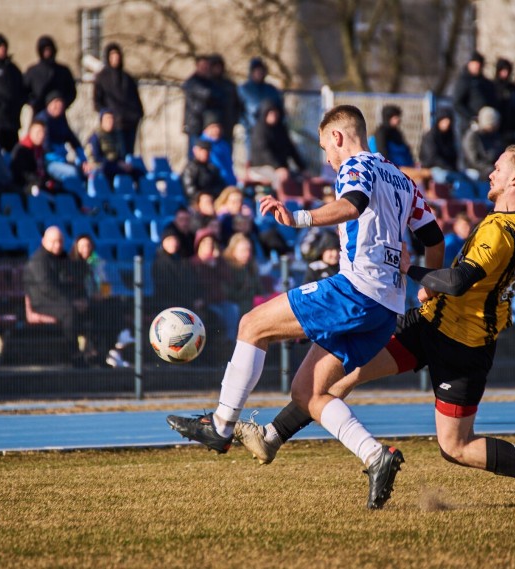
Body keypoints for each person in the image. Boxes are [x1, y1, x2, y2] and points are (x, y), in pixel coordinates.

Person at [233, 145, 515, 509]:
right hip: (428, 325)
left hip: (464, 347)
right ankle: (272, 437)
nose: (490, 174)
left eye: (497, 168)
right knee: (340, 375)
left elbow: (458, 280)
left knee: (455, 446)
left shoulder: (499, 234)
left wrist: (412, 271)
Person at [166, 105, 445, 510]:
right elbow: (434, 239)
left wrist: (297, 216)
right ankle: (376, 456)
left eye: (324, 148)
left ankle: (221, 426)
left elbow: (352, 204)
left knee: (252, 324)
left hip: (355, 290)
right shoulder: (403, 180)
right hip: (386, 309)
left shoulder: (354, 165)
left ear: (337, 137)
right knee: (308, 391)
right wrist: (428, 288)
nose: (327, 159)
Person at [23, 226, 94, 366]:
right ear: (44, 241)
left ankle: (96, 352)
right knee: (69, 312)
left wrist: (79, 299)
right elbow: (47, 288)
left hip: (62, 300)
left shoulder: (61, 258)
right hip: (43, 303)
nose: (58, 245)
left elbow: (70, 280)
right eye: (54, 241)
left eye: (60, 241)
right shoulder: (38, 260)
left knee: (94, 308)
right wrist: (72, 302)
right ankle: (75, 356)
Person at [93, 43, 144, 157]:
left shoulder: (127, 78)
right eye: (112, 56)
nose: (115, 59)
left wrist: (138, 114)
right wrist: (107, 116)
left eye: (117, 55)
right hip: (115, 124)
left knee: (129, 154)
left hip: (130, 122)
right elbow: (97, 102)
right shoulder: (102, 78)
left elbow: (135, 99)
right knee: (117, 154)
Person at [248, 100, 308, 191]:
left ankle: (299, 204)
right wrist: (278, 167)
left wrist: (302, 168)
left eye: (275, 113)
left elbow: (291, 149)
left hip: (281, 168)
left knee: (301, 179)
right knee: (280, 178)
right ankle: (277, 200)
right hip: (261, 167)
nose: (274, 116)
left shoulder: (281, 130)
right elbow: (265, 152)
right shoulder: (259, 130)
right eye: (270, 113)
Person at [37, 91, 88, 193]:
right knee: (72, 173)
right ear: (49, 104)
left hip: (61, 159)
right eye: (55, 102)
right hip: (48, 162)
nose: (58, 106)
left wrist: (83, 160)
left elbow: (73, 140)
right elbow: (45, 146)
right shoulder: (43, 119)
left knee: (84, 173)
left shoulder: (61, 119)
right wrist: (56, 154)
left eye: (60, 103)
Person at [239, 57, 284, 161]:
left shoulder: (271, 89)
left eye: (261, 71)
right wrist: (245, 124)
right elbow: (238, 109)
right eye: (256, 71)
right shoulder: (244, 89)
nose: (259, 74)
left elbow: (279, 107)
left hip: (271, 130)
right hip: (252, 129)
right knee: (252, 156)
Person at [24, 35, 77, 115]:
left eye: (49, 49)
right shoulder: (32, 71)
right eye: (44, 50)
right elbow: (24, 91)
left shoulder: (63, 71)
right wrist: (34, 103)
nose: (47, 52)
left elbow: (72, 91)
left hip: (59, 113)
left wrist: (62, 104)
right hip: (39, 112)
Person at [452, 51, 497, 137]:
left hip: (487, 124)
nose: (477, 67)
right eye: (475, 64)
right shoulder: (464, 81)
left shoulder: (486, 82)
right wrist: (471, 117)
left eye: (479, 65)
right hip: (469, 125)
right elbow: (457, 103)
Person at [182, 55, 219, 156]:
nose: (205, 68)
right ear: (197, 66)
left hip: (206, 124)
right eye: (203, 66)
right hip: (195, 124)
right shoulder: (192, 82)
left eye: (207, 66)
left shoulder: (210, 82)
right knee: (195, 152)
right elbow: (206, 94)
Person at [10, 119, 54, 194]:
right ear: (30, 132)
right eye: (38, 132)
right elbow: (22, 173)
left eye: (43, 133)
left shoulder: (40, 150)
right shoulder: (22, 149)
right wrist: (39, 181)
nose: (41, 136)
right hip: (26, 186)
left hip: (40, 183)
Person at [462, 106, 503, 180]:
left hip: (490, 167)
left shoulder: (494, 135)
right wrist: (490, 168)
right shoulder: (472, 136)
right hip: (474, 169)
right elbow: (474, 160)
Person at [209, 54, 241, 145]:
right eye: (215, 66)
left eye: (219, 66)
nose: (217, 69)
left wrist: (234, 120)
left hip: (227, 125)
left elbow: (237, 105)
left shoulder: (229, 85)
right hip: (210, 127)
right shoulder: (206, 84)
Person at [493, 58, 515, 146]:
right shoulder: (492, 87)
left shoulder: (514, 89)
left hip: (512, 129)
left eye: (507, 71)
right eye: (503, 71)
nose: (505, 74)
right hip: (497, 128)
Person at [200, 112, 237, 187]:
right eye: (213, 127)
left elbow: (229, 165)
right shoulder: (202, 145)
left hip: (227, 182)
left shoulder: (223, 144)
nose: (217, 130)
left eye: (218, 127)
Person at [419, 107, 459, 174]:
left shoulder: (450, 136)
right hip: (432, 168)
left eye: (449, 121)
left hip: (448, 168)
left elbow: (453, 155)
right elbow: (431, 158)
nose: (447, 123)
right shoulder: (430, 136)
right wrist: (447, 167)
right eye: (445, 120)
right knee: (447, 176)